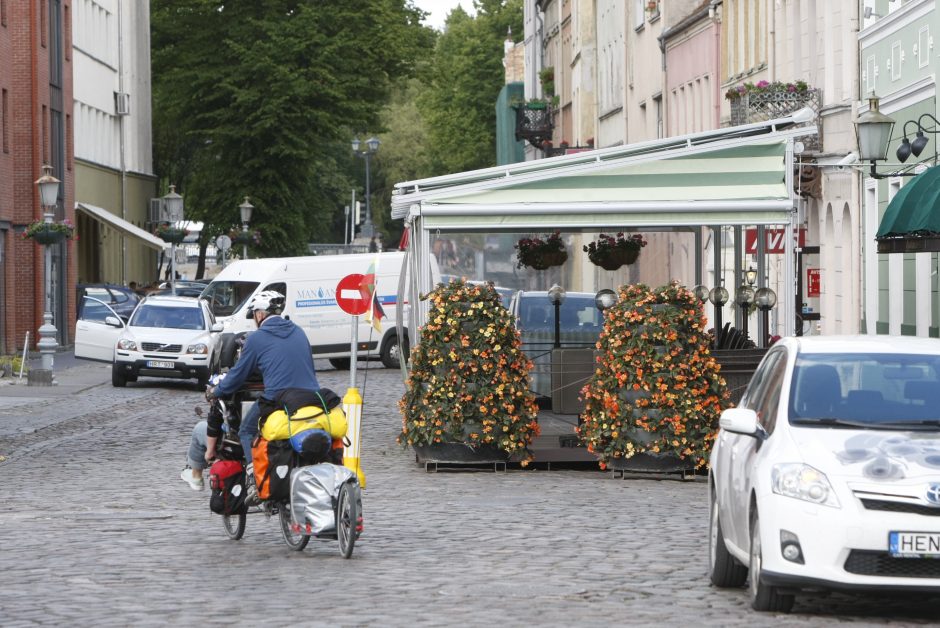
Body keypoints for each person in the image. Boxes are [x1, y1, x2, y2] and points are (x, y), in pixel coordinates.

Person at [204, 290, 321, 502]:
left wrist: (217, 392)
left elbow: (239, 374)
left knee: (246, 431)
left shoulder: (257, 338)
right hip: (312, 397)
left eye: (254, 315)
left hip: (279, 398)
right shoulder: (299, 332)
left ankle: (253, 480)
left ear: (260, 315)